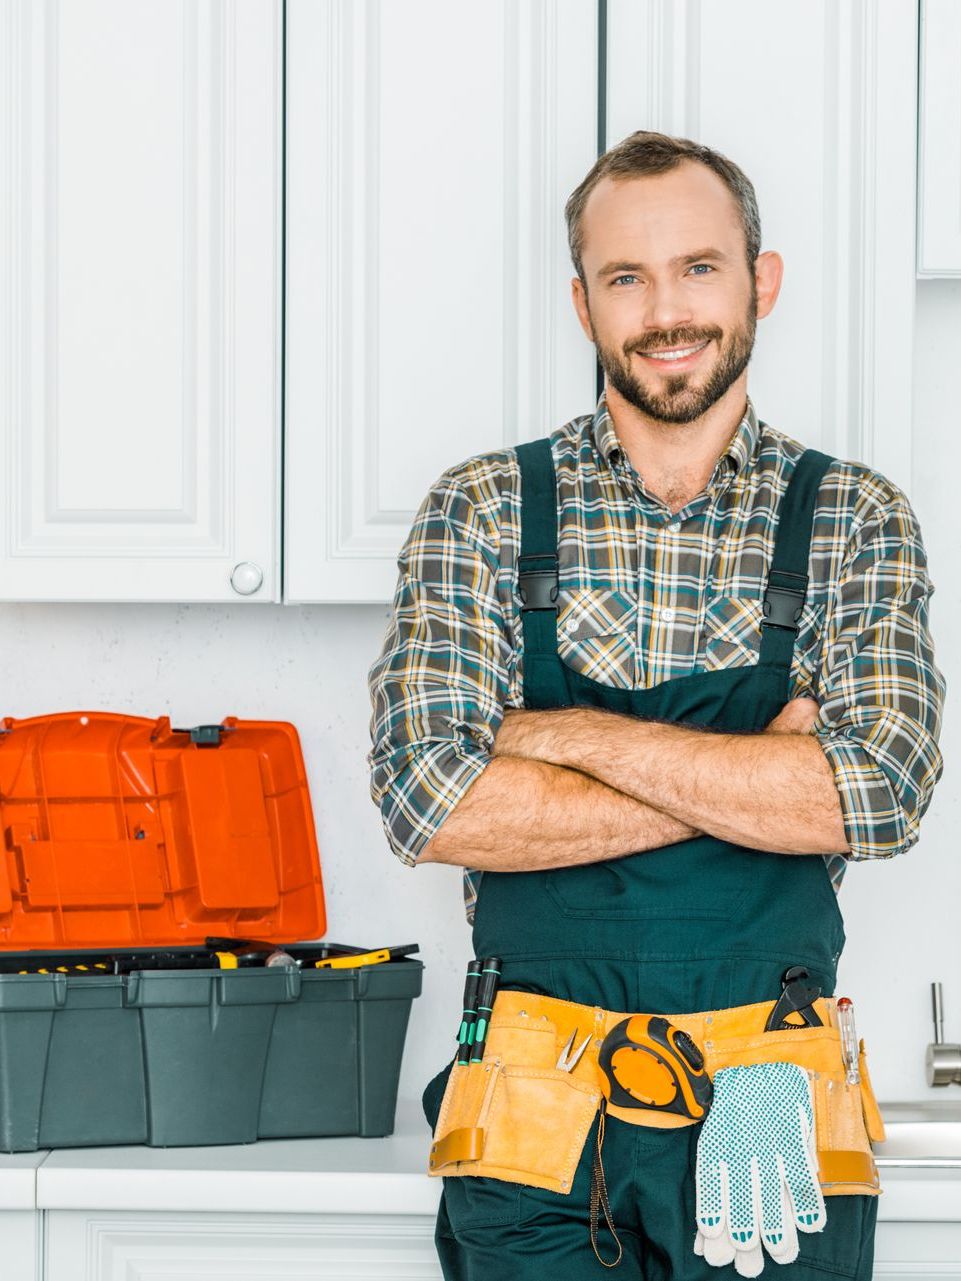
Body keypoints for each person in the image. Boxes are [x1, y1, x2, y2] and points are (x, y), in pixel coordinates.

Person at [367, 130, 945, 1279]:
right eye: (625, 278)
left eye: (698, 267)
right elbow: (431, 804)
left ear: (758, 282)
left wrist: (561, 739)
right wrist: (754, 776)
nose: (664, 309)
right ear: (582, 305)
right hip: (530, 1104)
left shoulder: (853, 517)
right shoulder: (482, 508)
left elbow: (873, 794)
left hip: (766, 1086)